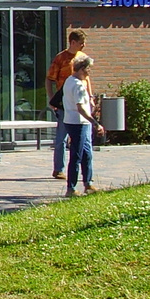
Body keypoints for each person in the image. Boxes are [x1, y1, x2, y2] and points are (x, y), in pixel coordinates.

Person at [46, 30, 89, 180]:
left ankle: (86, 173)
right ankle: (59, 168)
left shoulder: (83, 58)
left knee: (84, 138)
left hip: (81, 101)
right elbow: (49, 79)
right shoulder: (61, 58)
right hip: (65, 102)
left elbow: (87, 79)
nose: (84, 45)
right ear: (72, 42)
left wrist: (90, 97)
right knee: (62, 137)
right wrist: (52, 99)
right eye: (81, 42)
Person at [62, 54, 97, 197]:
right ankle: (71, 188)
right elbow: (80, 108)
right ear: (82, 69)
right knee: (77, 154)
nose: (90, 71)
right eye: (88, 68)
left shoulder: (69, 81)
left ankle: (88, 183)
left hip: (71, 121)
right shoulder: (78, 86)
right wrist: (95, 122)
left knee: (86, 153)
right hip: (79, 123)